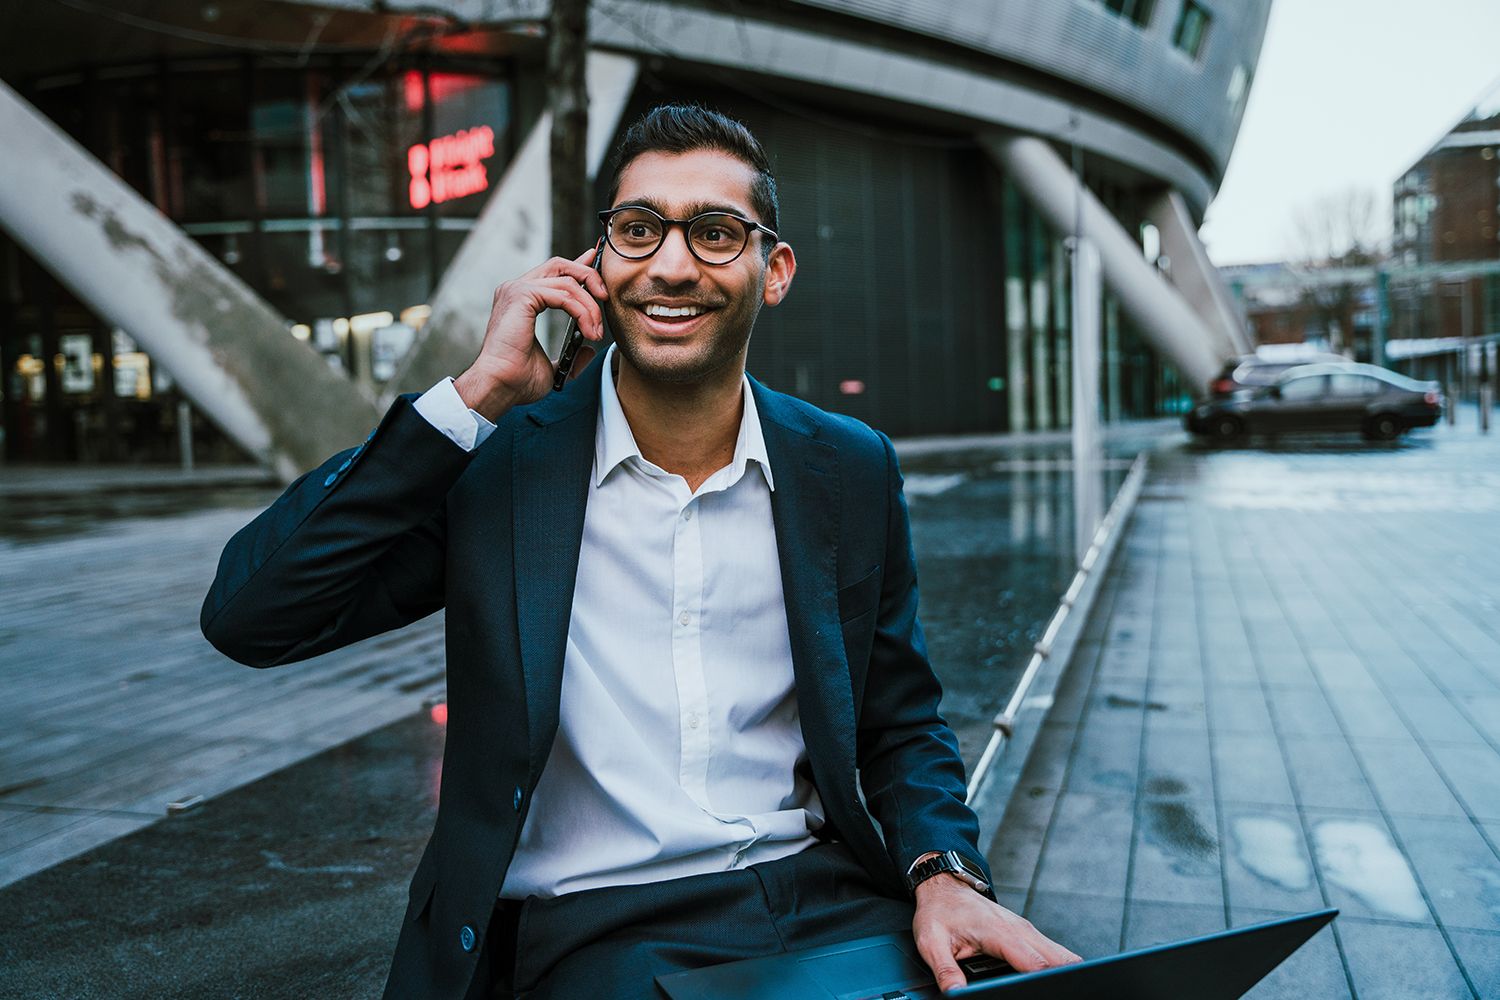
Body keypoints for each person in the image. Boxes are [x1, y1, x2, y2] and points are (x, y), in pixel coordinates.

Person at [201, 104, 1078, 999]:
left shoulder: (845, 466)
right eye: (637, 229)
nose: (669, 263)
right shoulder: (503, 467)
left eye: (713, 232)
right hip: (589, 925)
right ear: (596, 266)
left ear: (773, 271)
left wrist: (944, 875)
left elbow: (900, 723)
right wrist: (474, 396)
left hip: (820, 899)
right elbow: (252, 615)